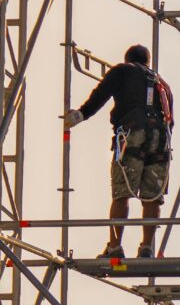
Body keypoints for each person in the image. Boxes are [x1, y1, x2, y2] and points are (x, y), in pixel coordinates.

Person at [63, 44, 173, 259]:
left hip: (133, 134)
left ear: (127, 59)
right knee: (153, 197)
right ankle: (147, 247)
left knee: (122, 192)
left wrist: (80, 115)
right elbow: (171, 117)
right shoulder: (162, 83)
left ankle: (114, 247)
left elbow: (101, 94)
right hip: (161, 139)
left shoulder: (123, 70)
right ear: (147, 62)